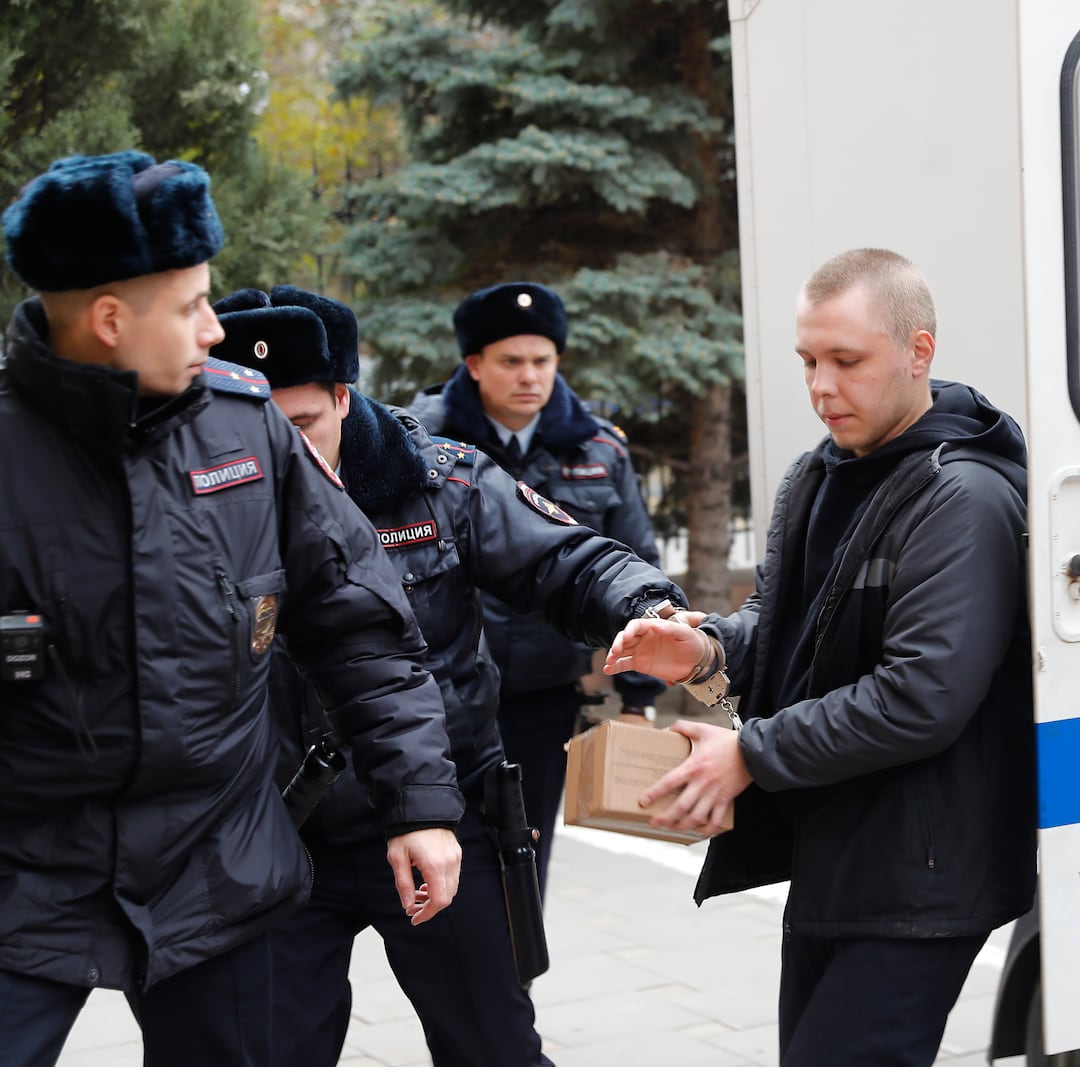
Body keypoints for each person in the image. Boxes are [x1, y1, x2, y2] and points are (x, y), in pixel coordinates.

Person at [0, 151, 464, 1067]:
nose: (214, 327)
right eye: (189, 305)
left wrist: (419, 804)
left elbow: (358, 623)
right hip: (27, 872)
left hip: (221, 866)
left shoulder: (245, 424)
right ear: (107, 321)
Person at [210, 285, 688, 1067]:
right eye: (258, 433)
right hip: (277, 833)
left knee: (493, 1046)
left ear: (342, 395)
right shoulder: (206, 496)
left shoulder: (437, 479)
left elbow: (566, 556)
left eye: (301, 427)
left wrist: (644, 605)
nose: (282, 456)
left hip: (438, 811)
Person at [603, 248, 1037, 1066]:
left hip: (924, 873)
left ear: (919, 351)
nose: (821, 386)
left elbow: (921, 695)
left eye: (848, 360)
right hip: (835, 849)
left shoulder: (965, 495)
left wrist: (752, 754)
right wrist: (701, 648)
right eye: (808, 360)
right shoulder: (817, 474)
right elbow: (782, 624)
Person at [413, 281, 665, 892]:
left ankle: (515, 982)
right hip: (439, 701)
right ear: (474, 365)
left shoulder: (600, 450)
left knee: (524, 862)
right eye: (510, 361)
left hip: (541, 698)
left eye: (542, 361)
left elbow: (633, 562)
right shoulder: (416, 443)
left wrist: (636, 699)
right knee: (451, 863)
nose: (529, 376)